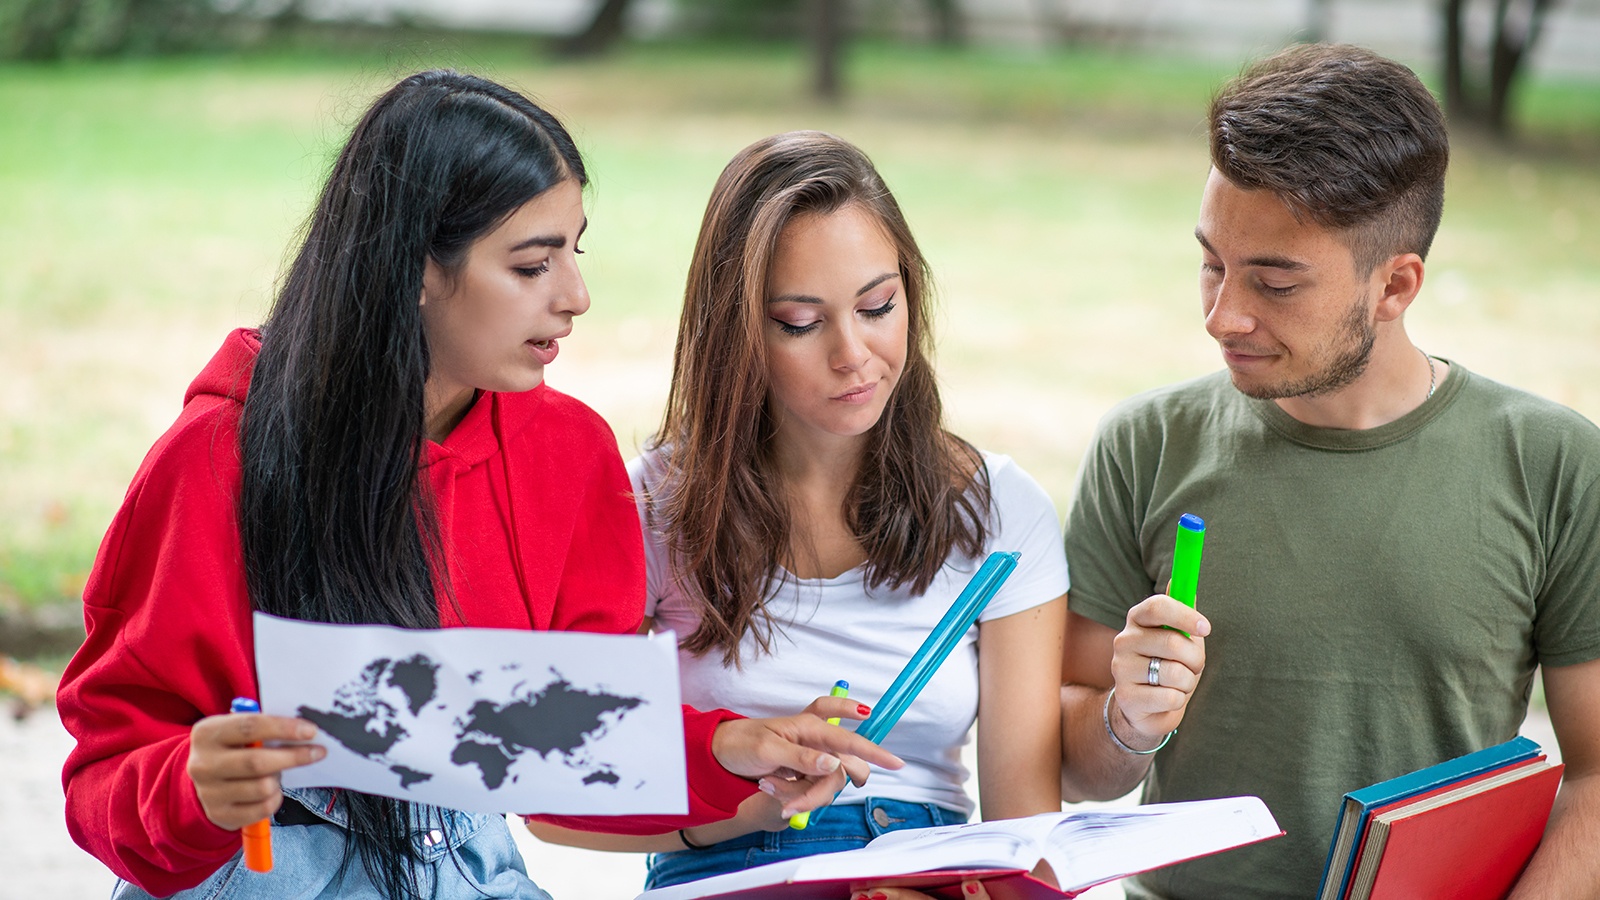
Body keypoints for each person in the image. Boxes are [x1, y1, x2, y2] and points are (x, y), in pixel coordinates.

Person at [55, 71, 901, 900]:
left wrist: (728, 749)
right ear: (417, 266)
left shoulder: (570, 454)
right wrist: (191, 788)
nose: (577, 296)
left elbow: (566, 747)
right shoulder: (218, 458)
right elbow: (105, 777)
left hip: (471, 869)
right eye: (532, 266)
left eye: (575, 251)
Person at [1056, 43, 1600, 899]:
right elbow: (1080, 771)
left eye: (1275, 283)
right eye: (1211, 263)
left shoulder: (1554, 464)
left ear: (1395, 286)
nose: (1222, 314)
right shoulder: (1143, 444)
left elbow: (1597, 779)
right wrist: (1126, 722)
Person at [528, 131, 1067, 889]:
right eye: (802, 323)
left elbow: (1025, 839)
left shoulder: (1000, 512)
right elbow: (555, 805)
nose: (854, 353)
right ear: (737, 332)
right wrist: (749, 812)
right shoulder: (651, 504)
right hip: (725, 866)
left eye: (878, 306)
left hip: (924, 875)